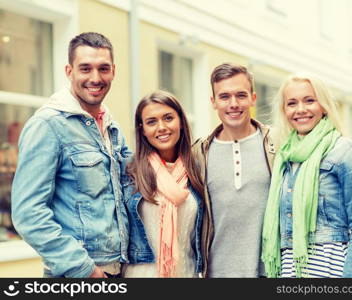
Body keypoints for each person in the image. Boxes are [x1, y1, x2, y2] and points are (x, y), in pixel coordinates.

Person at [11, 32, 131, 278]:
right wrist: (84, 269)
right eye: (85, 68)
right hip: (78, 275)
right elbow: (28, 214)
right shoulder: (47, 125)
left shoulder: (110, 126)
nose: (95, 78)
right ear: (69, 71)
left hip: (117, 270)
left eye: (103, 69)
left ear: (113, 71)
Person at [261, 73, 352, 278]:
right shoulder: (284, 157)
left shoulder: (347, 153)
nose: (301, 109)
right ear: (284, 110)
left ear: (323, 106)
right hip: (290, 270)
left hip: (332, 271)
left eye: (310, 100)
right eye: (292, 103)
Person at [193, 63, 276, 277]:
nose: (233, 104)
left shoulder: (277, 144)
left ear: (253, 98)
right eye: (224, 97)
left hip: (269, 273)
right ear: (213, 102)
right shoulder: (199, 153)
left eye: (241, 95)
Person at [123, 90, 206, 278]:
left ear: (181, 123)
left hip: (187, 274)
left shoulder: (197, 170)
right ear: (142, 129)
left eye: (168, 118)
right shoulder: (129, 171)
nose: (161, 127)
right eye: (151, 122)